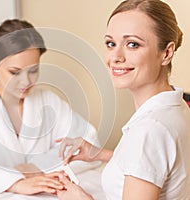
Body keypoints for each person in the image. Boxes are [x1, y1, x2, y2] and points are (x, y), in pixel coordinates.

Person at [0, 19, 100, 199]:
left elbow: (88, 144)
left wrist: (36, 167)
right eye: (15, 72)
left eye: (33, 71)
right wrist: (15, 182)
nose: (26, 82)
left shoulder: (49, 101)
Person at [57, 0, 190, 199]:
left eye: (132, 44)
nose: (116, 56)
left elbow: (149, 145)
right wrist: (101, 154)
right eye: (111, 43)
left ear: (166, 53)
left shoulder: (150, 130)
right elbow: (155, 166)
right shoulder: (178, 106)